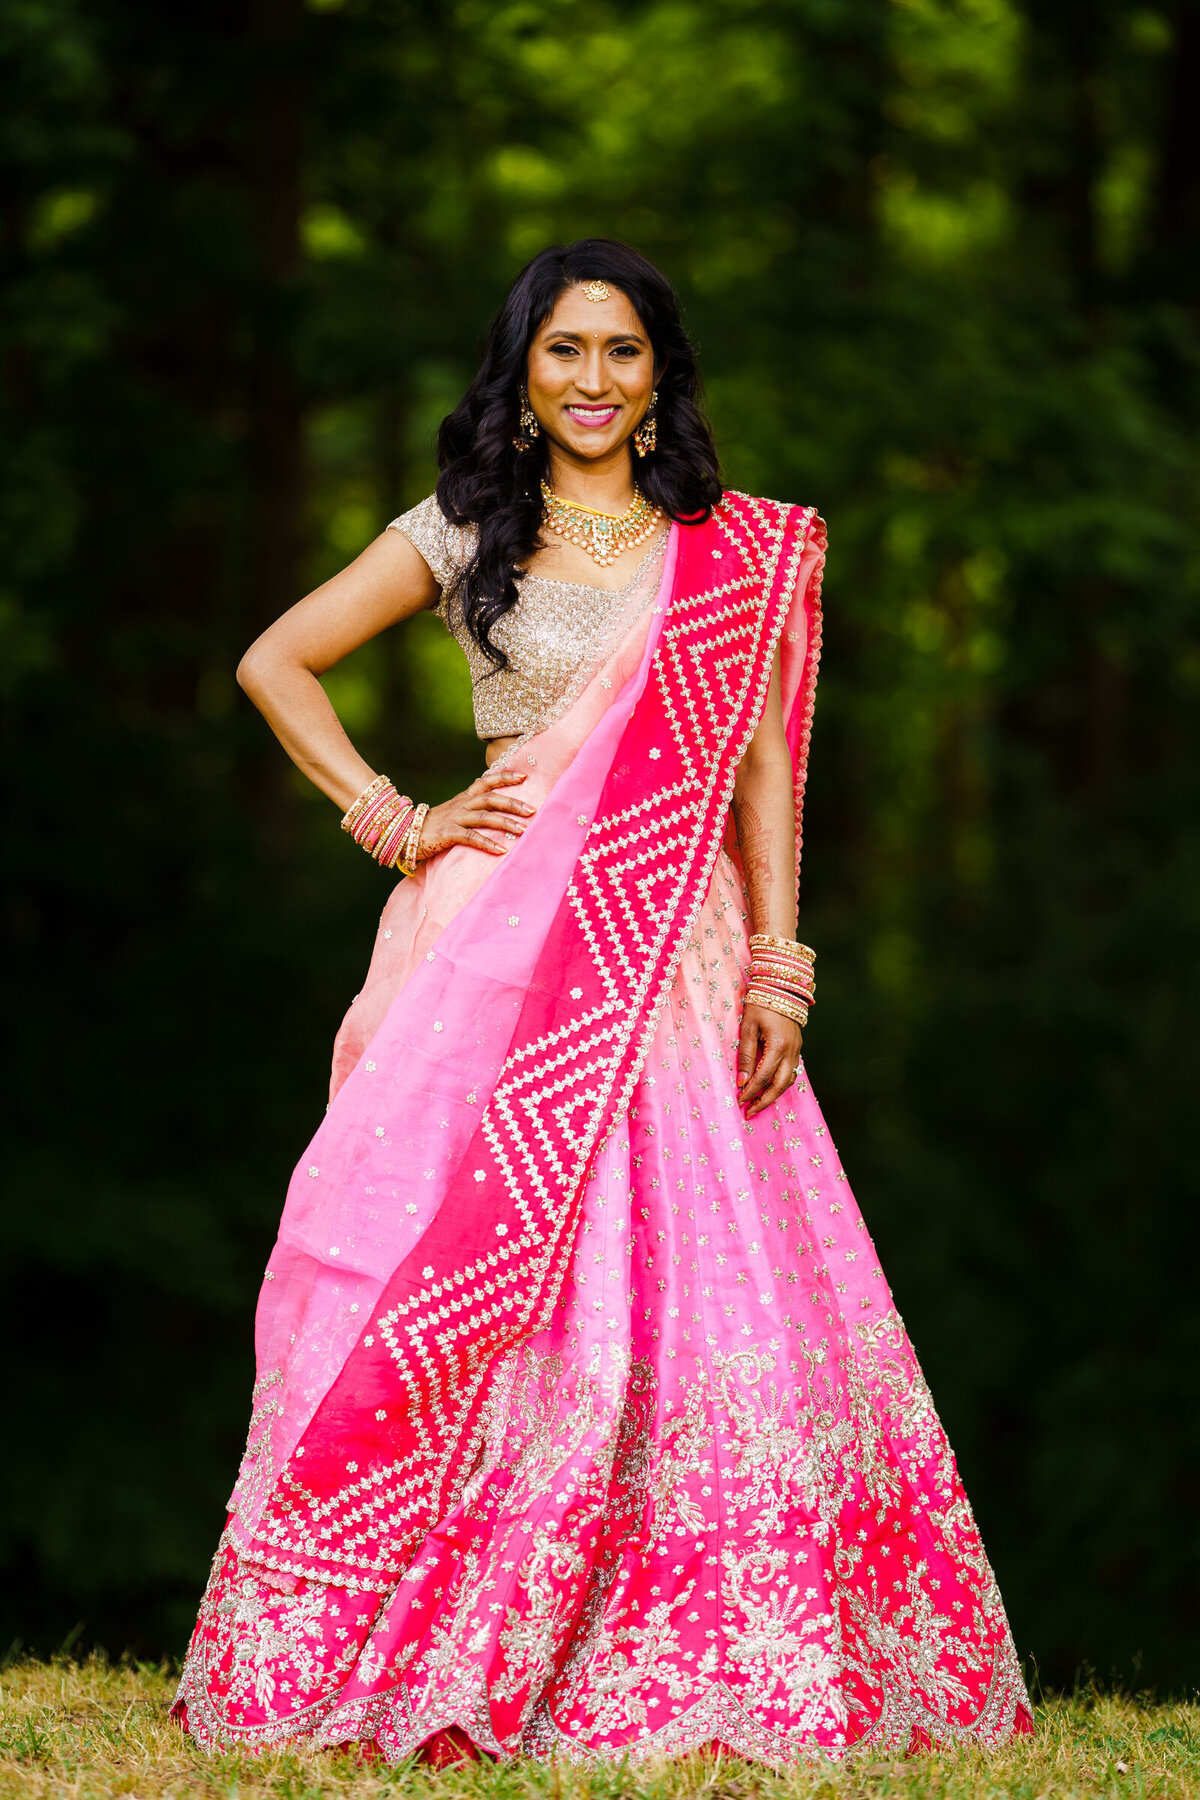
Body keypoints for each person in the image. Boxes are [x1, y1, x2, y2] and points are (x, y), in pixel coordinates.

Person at [173, 239, 1032, 1765]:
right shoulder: (460, 529)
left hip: (671, 956)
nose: (591, 379)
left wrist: (780, 958)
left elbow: (760, 758)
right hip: (485, 959)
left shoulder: (732, 551)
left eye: (622, 352)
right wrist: (396, 814)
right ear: (524, 371)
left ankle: (670, 1637)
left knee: (692, 1270)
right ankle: (422, 1626)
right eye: (563, 350)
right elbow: (273, 659)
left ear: (660, 378)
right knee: (451, 1273)